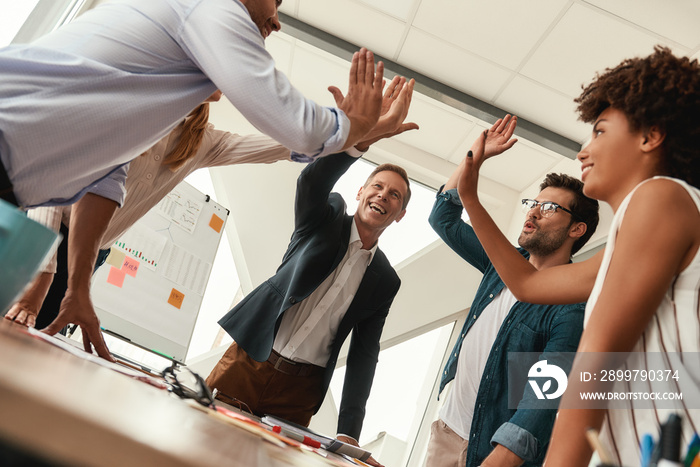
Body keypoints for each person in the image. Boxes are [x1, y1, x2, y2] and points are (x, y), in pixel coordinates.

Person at [0, 0, 412, 353]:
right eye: (276, 1)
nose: (277, 20)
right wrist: (352, 123)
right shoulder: (212, 8)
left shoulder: (153, 105)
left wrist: (79, 285)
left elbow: (106, 182)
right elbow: (298, 128)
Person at [455, 47, 700, 467]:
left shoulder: (659, 198)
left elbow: (596, 363)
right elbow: (528, 285)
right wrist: (469, 197)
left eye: (600, 131)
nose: (583, 152)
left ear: (650, 135)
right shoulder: (648, 226)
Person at [205, 135, 413, 467]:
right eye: (377, 186)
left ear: (400, 214)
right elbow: (311, 179)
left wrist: (349, 431)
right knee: (197, 444)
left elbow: (365, 352)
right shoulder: (325, 217)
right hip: (248, 364)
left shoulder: (386, 280)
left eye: (394, 195)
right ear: (361, 192)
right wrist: (358, 144)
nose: (382, 196)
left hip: (298, 394)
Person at [425, 115, 599, 467]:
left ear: (576, 229)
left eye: (549, 208)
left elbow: (545, 393)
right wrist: (475, 157)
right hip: (447, 432)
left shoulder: (571, 306)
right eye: (532, 203)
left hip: (493, 451)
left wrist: (505, 456)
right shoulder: (500, 263)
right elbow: (442, 217)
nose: (533, 212)